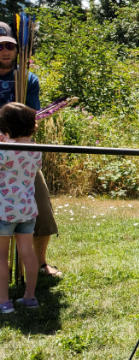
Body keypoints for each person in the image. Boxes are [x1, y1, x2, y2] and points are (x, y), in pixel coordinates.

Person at [0, 21, 60, 279]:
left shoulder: (27, 79)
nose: (4, 51)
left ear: (17, 49)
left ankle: (41, 263)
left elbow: (32, 116)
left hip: (21, 154)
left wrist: (16, 134)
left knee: (41, 210)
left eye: (9, 46)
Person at [0, 103, 42, 313]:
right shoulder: (35, 150)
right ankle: (30, 296)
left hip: (3, 211)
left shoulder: (4, 151)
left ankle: (4, 302)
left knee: (1, 256)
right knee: (28, 253)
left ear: (6, 129)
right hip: (27, 209)